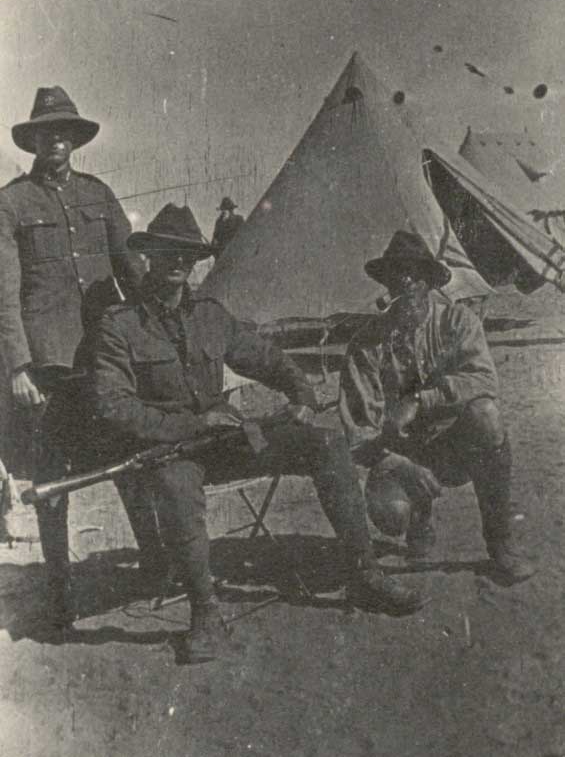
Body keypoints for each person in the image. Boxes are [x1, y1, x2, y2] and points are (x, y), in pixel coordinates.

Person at [88, 204, 426, 663]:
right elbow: (113, 406)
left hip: (226, 441)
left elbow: (262, 356)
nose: (179, 263)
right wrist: (191, 425)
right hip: (170, 450)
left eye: (188, 254)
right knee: (174, 485)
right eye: (169, 252)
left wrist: (301, 392)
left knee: (325, 442)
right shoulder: (120, 325)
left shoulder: (209, 313)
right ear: (148, 255)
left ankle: (364, 575)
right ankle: (206, 614)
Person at [0, 86, 157, 626]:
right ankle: (60, 587)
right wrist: (18, 365)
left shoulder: (98, 194)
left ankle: (156, 562)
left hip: (105, 353)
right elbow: (4, 290)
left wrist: (153, 332)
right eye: (48, 131)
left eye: (66, 131)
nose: (57, 139)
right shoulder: (12, 202)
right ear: (34, 140)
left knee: (131, 453)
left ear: (75, 139)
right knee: (51, 477)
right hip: (48, 364)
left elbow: (132, 269)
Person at [339, 230, 535, 585]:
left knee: (487, 416)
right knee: (391, 515)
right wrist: (400, 465)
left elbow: (483, 381)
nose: (406, 281)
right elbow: (358, 433)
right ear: (387, 284)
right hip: (397, 455)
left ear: (430, 281)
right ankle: (418, 519)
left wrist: (419, 399)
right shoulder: (365, 344)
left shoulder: (457, 322)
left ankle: (501, 544)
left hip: (454, 447)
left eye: (415, 273)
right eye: (397, 273)